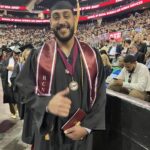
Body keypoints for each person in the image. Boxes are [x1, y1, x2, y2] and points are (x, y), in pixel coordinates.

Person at [15, 1, 106, 150]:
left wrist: (87, 127)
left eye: (66, 16)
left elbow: (101, 94)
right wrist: (46, 103)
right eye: (56, 17)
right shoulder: (37, 56)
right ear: (50, 22)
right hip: (48, 137)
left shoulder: (92, 56)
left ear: (74, 18)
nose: (62, 21)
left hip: (80, 137)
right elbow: (21, 89)